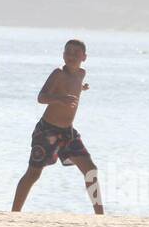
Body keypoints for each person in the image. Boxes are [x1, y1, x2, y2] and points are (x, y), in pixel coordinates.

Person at [11, 39, 102, 214]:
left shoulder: (81, 74)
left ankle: (100, 215)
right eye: (68, 52)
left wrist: (80, 88)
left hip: (68, 132)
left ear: (84, 57)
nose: (71, 56)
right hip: (47, 131)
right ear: (63, 55)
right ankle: (14, 213)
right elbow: (41, 97)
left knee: (90, 170)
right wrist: (60, 99)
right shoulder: (58, 74)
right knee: (33, 174)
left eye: (76, 53)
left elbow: (72, 86)